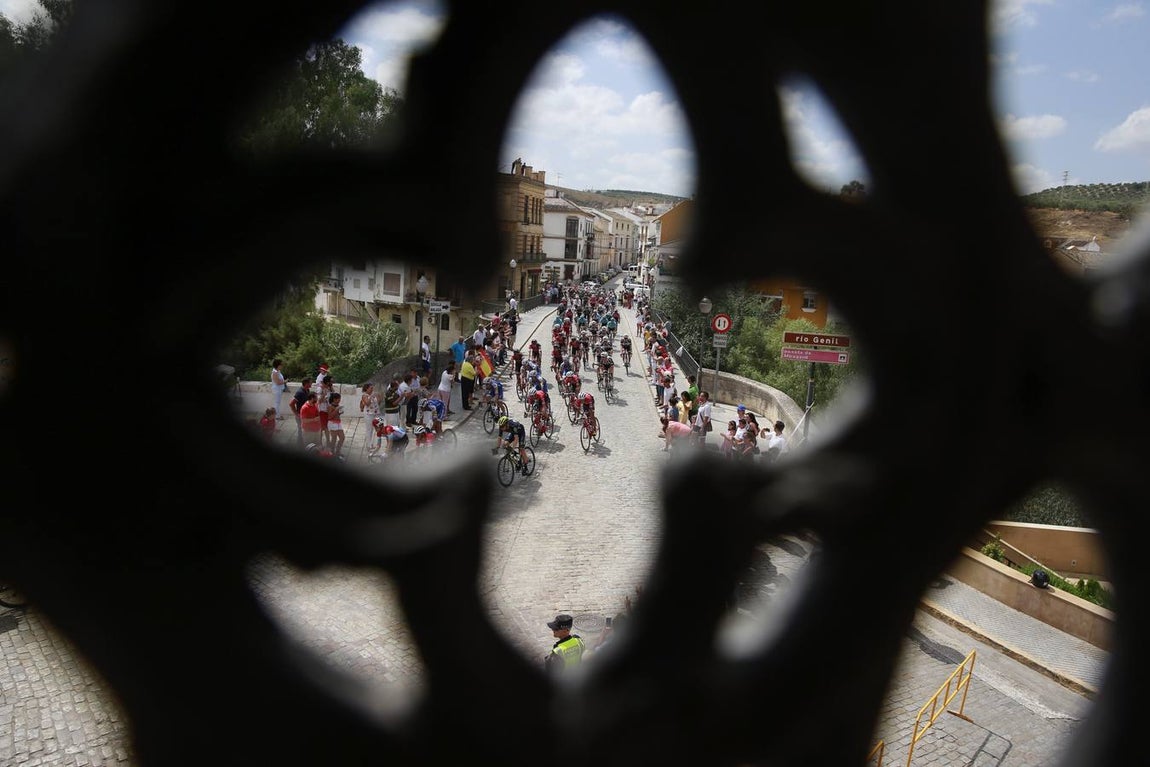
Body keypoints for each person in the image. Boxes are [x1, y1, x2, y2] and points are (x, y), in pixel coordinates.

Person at [289, 378, 312, 447]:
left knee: (305, 431)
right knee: (301, 431)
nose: (311, 384)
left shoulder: (307, 390)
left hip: (306, 414)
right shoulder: (300, 392)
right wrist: (296, 414)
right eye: (310, 383)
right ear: (306, 383)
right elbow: (291, 404)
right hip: (301, 415)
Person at [327, 391, 346, 457]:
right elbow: (329, 417)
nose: (339, 400)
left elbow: (336, 414)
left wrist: (340, 412)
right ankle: (332, 452)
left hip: (338, 423)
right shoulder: (330, 406)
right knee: (334, 439)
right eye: (338, 399)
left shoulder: (337, 406)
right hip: (332, 424)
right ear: (334, 399)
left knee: (342, 437)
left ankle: (337, 451)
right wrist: (336, 410)